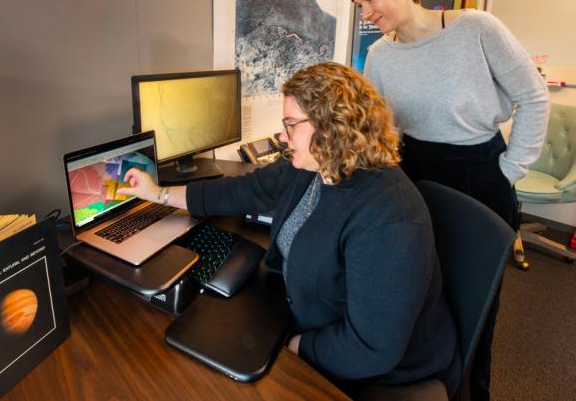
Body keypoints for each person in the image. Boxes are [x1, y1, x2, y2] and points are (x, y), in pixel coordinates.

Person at [118, 62, 460, 397]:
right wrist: (158, 194)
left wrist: (294, 344)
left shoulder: (389, 219)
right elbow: (244, 191)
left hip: (380, 373)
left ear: (331, 127)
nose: (282, 136)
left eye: (290, 125)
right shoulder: (313, 164)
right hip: (311, 320)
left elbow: (370, 349)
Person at [346, 0, 549, 401]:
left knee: (475, 302)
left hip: (478, 172)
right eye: (359, 4)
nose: (366, 12)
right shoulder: (379, 55)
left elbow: (533, 97)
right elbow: (382, 128)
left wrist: (510, 170)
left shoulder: (476, 28)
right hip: (413, 172)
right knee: (418, 292)